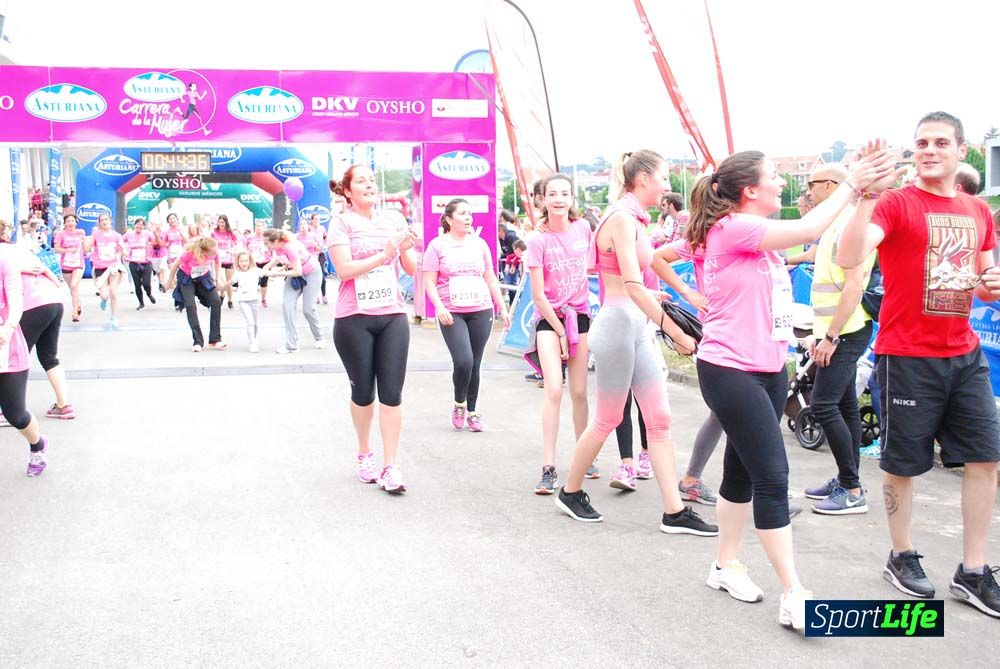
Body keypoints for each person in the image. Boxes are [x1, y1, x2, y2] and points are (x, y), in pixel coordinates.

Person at [677, 145, 890, 630]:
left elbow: (822, 239)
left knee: (742, 472)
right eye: (774, 177)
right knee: (773, 477)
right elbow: (811, 228)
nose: (781, 184)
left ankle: (724, 565)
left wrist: (864, 198)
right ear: (749, 191)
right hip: (729, 369)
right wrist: (852, 184)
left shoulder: (758, 238)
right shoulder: (734, 227)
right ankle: (795, 592)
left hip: (769, 368)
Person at [837, 112, 1000, 617]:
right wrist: (864, 196)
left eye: (941, 142)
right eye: (922, 143)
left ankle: (973, 570)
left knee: (986, 459)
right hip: (907, 356)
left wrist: (990, 286)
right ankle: (901, 554)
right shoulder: (896, 203)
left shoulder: (977, 209)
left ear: (962, 151)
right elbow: (849, 256)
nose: (930, 150)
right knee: (904, 465)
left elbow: (984, 271)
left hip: (964, 354)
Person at [553, 151, 716, 540]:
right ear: (642, 178)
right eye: (663, 177)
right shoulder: (623, 220)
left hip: (637, 323)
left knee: (659, 419)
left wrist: (671, 301)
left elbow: (643, 277)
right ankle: (570, 491)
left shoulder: (635, 220)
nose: (667, 185)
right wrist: (675, 332)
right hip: (617, 326)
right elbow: (630, 284)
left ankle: (674, 512)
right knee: (608, 418)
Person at [327, 165, 419, 494]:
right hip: (354, 318)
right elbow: (344, 270)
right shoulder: (341, 222)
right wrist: (384, 254)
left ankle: (391, 465)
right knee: (363, 393)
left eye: (371, 180)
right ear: (348, 191)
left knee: (392, 395)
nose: (369, 184)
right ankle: (365, 451)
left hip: (392, 314)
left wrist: (409, 246)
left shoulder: (393, 219)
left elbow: (410, 267)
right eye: (361, 181)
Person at [799, 163, 877, 515]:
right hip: (836, 329)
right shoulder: (834, 223)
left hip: (845, 330)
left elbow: (853, 287)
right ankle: (848, 479)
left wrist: (829, 337)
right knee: (844, 406)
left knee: (823, 406)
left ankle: (851, 487)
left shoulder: (848, 224)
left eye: (812, 184)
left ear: (831, 185)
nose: (808, 191)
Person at [525, 174, 596, 494]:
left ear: (572, 198)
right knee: (554, 389)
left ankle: (584, 457)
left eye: (564, 193)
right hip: (550, 320)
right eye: (552, 194)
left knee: (579, 392)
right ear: (542, 199)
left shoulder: (583, 229)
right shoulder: (537, 240)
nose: (558, 199)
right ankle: (549, 467)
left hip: (579, 317)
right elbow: (538, 295)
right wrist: (560, 332)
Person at [423, 198, 511, 432]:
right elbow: (429, 281)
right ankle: (459, 403)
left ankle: (472, 411)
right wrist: (439, 307)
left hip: (481, 309)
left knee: (475, 363)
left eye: (470, 213)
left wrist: (502, 307)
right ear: (449, 219)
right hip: (452, 311)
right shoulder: (437, 245)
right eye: (462, 213)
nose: (468, 217)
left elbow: (490, 277)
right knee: (463, 360)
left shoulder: (480, 244)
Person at [0, 239, 74, 419]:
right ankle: (63, 405)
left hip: (31, 304)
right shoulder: (19, 249)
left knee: (11, 360)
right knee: (49, 357)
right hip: (53, 300)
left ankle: (9, 412)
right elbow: (52, 276)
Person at [0, 242, 51, 475]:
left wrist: (9, 326)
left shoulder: (5, 263)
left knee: (16, 414)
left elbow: (15, 299)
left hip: (6, 348)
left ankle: (37, 445)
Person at [262, 229, 324, 354]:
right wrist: (267, 266)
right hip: (295, 274)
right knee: (287, 305)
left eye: (266, 243)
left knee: (308, 309)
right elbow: (278, 259)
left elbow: (298, 271)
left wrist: (275, 273)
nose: (265, 246)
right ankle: (292, 345)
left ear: (275, 241)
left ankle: (319, 337)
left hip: (311, 273)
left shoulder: (289, 247)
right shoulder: (278, 247)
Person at [164, 237, 226, 352]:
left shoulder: (214, 252)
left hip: (203, 277)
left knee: (216, 301)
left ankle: (215, 339)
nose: (215, 252)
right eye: (212, 251)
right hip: (186, 277)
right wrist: (169, 282)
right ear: (203, 251)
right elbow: (175, 265)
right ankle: (197, 341)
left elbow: (218, 263)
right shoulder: (189, 253)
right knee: (190, 306)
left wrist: (218, 279)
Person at [87, 213, 125, 329]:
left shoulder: (116, 235)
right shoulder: (96, 235)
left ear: (110, 221)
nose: (104, 222)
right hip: (100, 267)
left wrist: (124, 249)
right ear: (99, 223)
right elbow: (87, 248)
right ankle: (103, 300)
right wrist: (86, 241)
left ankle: (114, 317)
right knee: (104, 295)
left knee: (113, 292)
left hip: (113, 266)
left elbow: (123, 249)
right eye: (101, 220)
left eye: (106, 219)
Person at [53, 213, 86, 322]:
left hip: (78, 263)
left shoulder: (81, 232)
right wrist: (68, 250)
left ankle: (75, 313)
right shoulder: (60, 234)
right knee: (72, 289)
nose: (70, 223)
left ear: (76, 222)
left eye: (72, 221)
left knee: (73, 285)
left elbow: (85, 246)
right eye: (68, 221)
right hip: (66, 264)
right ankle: (78, 303)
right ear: (65, 223)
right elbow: (56, 249)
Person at [231, 250, 262, 353]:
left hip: (255, 299)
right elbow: (230, 282)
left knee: (256, 323)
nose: (244, 263)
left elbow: (267, 272)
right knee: (250, 321)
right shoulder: (237, 273)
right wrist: (221, 287)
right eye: (241, 261)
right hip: (243, 300)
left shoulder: (255, 270)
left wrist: (279, 267)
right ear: (238, 262)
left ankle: (255, 338)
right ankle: (252, 343)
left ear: (250, 261)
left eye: (246, 261)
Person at [124, 217, 156, 310]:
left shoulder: (147, 234)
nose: (139, 226)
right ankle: (141, 303)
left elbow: (155, 243)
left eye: (141, 224)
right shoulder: (129, 234)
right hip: (134, 263)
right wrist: (124, 252)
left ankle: (149, 294)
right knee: (137, 284)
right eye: (137, 224)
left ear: (144, 226)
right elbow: (120, 242)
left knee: (146, 283)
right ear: (134, 225)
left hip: (146, 262)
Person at [212, 214, 239, 309]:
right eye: (219, 222)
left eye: (223, 222)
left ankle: (230, 300)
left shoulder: (230, 232)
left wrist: (232, 250)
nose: (221, 224)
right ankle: (222, 293)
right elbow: (211, 244)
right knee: (220, 279)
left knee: (229, 281)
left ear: (226, 222)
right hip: (218, 259)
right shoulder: (214, 233)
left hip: (229, 259)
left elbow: (238, 243)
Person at [246, 222, 272, 308]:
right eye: (257, 226)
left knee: (264, 282)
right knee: (253, 281)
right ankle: (253, 298)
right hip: (254, 262)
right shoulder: (250, 237)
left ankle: (263, 299)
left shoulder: (267, 237)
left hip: (265, 262)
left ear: (264, 227)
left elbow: (272, 248)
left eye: (260, 226)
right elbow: (245, 247)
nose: (258, 228)